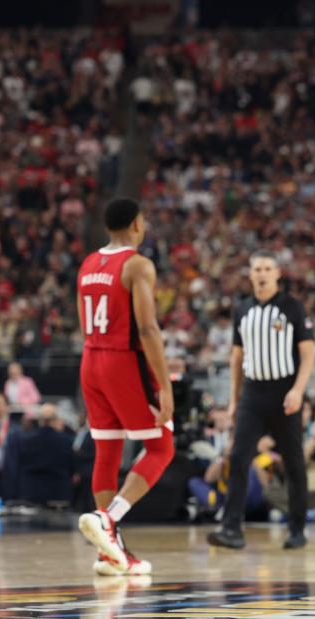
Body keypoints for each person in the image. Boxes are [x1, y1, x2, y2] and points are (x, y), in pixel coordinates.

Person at [76, 197, 175, 577]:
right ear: (137, 225)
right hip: (122, 359)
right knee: (161, 446)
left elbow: (81, 316)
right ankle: (108, 520)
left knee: (107, 449)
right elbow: (148, 328)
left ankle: (110, 553)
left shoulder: (88, 264)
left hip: (91, 357)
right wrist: (164, 384)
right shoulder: (137, 265)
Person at [206, 250, 315, 550]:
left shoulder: (292, 306)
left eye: (268, 268)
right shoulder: (241, 309)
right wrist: (233, 399)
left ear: (277, 273)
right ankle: (231, 529)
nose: (263, 273)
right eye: (258, 269)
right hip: (253, 393)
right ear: (251, 274)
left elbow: (309, 353)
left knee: (294, 463)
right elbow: (236, 356)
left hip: (285, 393)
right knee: (239, 457)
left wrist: (298, 390)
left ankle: (297, 530)